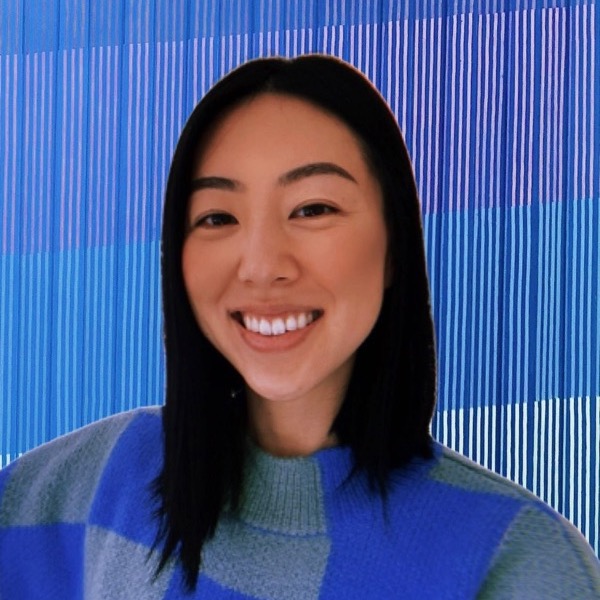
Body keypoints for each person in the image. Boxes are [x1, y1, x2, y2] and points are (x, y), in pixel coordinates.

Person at [0, 54, 598, 600]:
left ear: (394, 245)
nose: (262, 266)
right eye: (217, 217)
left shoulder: (516, 560)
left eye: (313, 209)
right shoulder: (88, 485)